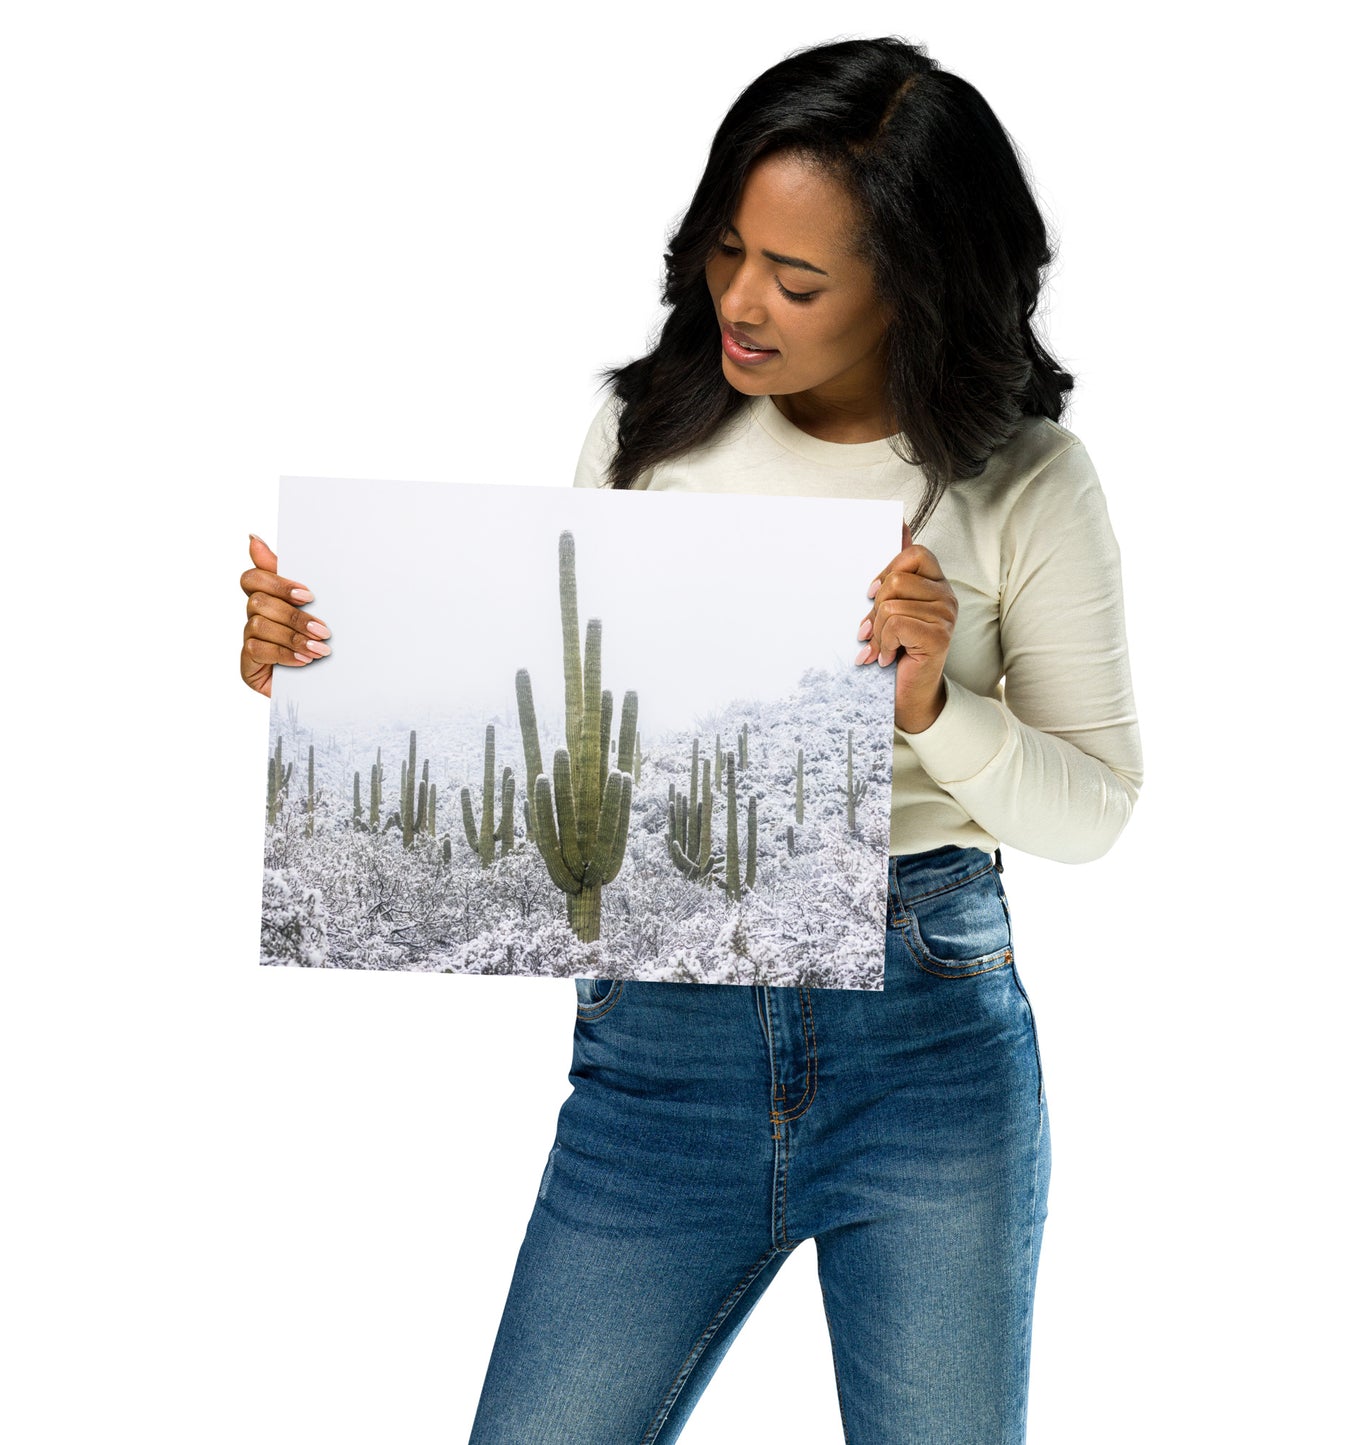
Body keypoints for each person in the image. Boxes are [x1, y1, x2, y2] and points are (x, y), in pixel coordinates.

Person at [239, 35, 1142, 1444]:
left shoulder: (1025, 479)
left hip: (925, 1048)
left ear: (914, 281)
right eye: (727, 251)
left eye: (796, 278)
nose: (740, 301)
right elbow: (565, 736)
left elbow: (1093, 811)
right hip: (654, 1056)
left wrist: (930, 707)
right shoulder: (643, 430)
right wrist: (321, 678)